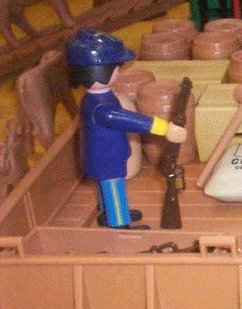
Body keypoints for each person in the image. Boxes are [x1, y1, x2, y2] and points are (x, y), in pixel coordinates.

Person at [66, 28, 186, 229]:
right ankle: (119, 222)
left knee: (105, 186)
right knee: (113, 186)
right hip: (108, 158)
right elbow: (128, 119)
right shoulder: (102, 106)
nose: (119, 71)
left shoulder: (93, 99)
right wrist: (165, 128)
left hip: (103, 155)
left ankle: (109, 212)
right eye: (116, 68)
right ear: (100, 72)